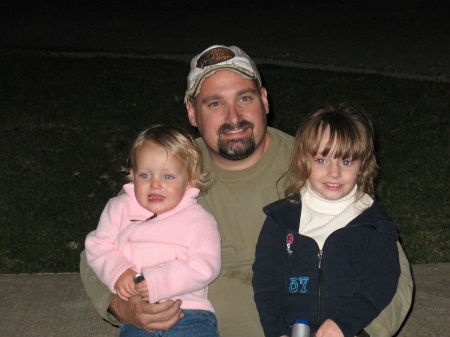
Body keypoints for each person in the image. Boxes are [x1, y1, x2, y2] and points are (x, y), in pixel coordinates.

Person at [80, 45, 413, 337]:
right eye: (214, 104)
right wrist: (121, 308)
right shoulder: (169, 169)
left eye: (245, 97)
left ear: (264, 100)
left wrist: (361, 331)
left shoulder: (317, 166)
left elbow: (388, 267)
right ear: (191, 113)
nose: (234, 116)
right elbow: (98, 248)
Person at [252, 104, 401, 337]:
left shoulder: (373, 224)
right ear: (303, 161)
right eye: (322, 160)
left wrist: (344, 323)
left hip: (348, 331)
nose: (334, 172)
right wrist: (276, 330)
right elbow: (266, 282)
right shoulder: (281, 219)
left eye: (346, 161)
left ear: (363, 165)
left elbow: (382, 282)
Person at [84, 125, 221, 337]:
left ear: (191, 180)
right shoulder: (119, 207)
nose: (155, 185)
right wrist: (118, 271)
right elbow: (98, 245)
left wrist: (157, 281)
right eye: (145, 175)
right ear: (132, 175)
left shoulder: (199, 220)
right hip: (137, 313)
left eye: (168, 177)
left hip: (188, 311)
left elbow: (205, 266)